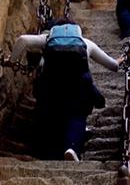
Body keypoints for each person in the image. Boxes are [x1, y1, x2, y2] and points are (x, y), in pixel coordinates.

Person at [10, 18, 122, 161]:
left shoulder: (47, 39)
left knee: (50, 114)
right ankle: (71, 148)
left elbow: (23, 40)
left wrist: (12, 62)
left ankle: (47, 149)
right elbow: (112, 66)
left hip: (51, 87)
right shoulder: (86, 43)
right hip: (78, 87)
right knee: (77, 115)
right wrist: (118, 62)